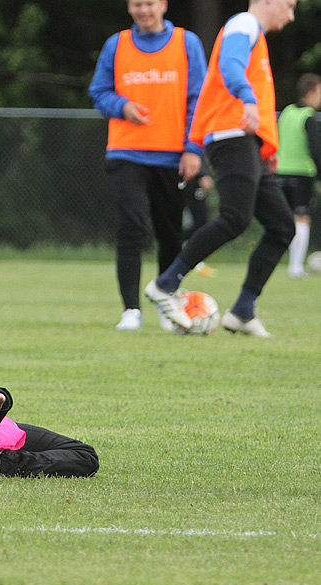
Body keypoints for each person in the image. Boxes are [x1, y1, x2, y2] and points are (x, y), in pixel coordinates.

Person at [146, 0, 298, 338]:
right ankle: (165, 284)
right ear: (269, 1)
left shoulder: (252, 33)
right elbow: (231, 66)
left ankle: (242, 311)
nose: (290, 16)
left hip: (249, 142)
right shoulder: (243, 24)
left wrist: (267, 145)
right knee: (235, 218)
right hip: (232, 134)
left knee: (282, 226)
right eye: (288, 6)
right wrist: (247, 99)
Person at [89, 0, 207, 332]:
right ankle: (131, 310)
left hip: (173, 156)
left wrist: (193, 148)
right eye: (137, 4)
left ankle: (167, 306)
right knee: (131, 228)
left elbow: (199, 98)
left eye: (150, 4)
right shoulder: (117, 44)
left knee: (170, 235)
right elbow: (98, 92)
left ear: (164, 5)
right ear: (129, 7)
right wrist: (121, 106)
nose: (144, 10)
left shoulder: (187, 43)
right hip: (126, 153)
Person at [276, 73, 321, 278]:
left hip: (281, 171)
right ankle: (295, 267)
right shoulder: (309, 117)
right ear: (310, 92)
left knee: (284, 219)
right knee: (302, 218)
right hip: (302, 172)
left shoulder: (286, 112)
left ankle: (282, 261)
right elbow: (315, 149)